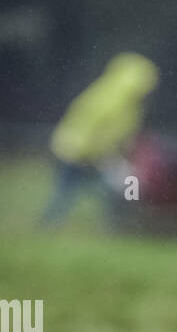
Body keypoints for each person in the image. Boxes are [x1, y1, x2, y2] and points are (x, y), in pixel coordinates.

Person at [40, 53, 159, 226]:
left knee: (118, 186)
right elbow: (88, 129)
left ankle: (122, 223)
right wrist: (90, 152)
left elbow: (125, 134)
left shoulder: (129, 105)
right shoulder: (110, 100)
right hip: (78, 153)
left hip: (96, 155)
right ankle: (50, 224)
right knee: (69, 191)